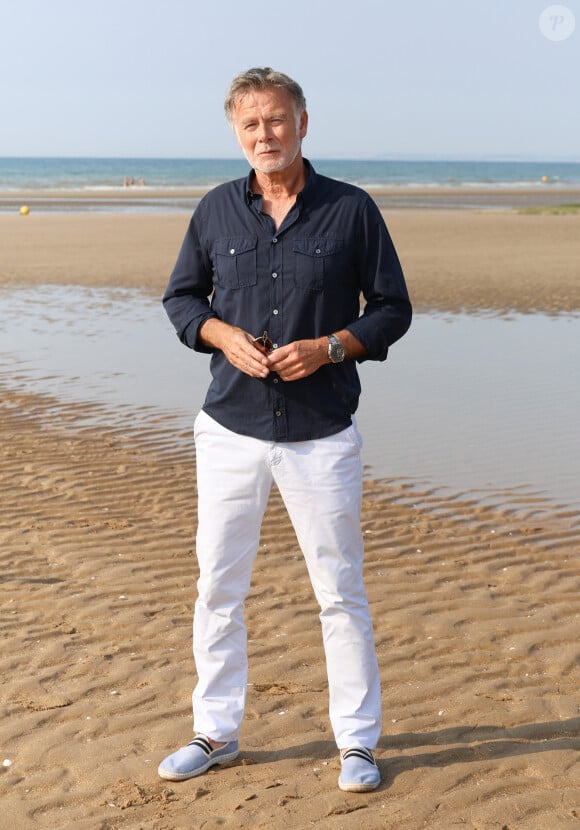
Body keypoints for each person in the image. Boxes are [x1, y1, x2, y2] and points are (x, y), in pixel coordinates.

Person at [158, 67, 412, 792]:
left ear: (302, 122)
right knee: (218, 588)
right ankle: (215, 733)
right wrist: (215, 332)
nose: (264, 135)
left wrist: (331, 346)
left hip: (322, 433)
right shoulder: (214, 211)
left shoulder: (352, 210)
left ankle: (357, 743)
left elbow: (392, 308)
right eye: (250, 125)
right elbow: (180, 298)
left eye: (276, 120)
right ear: (236, 133)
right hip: (229, 430)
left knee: (339, 591)